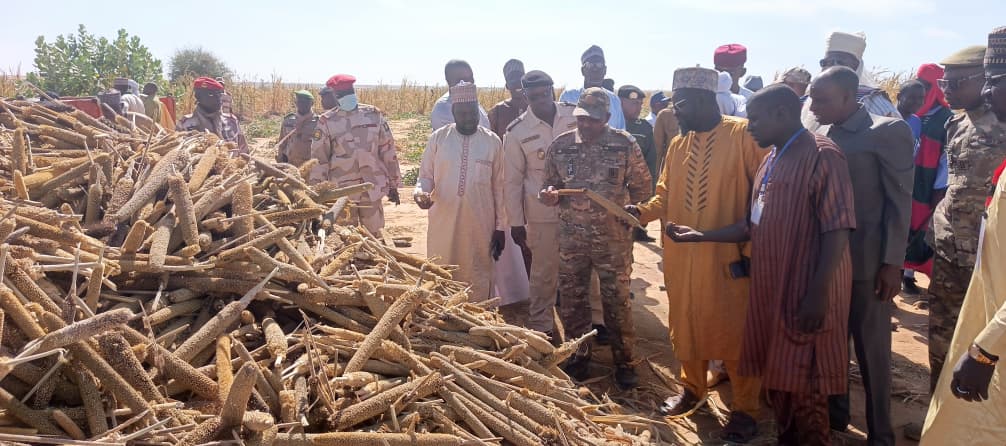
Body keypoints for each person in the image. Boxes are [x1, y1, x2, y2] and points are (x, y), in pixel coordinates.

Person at [667, 84, 857, 445]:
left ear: (783, 115)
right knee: (783, 377)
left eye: (755, 119)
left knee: (807, 384)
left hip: (806, 288)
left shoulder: (822, 154)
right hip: (774, 286)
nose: (748, 125)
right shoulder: (772, 158)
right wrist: (701, 236)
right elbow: (750, 224)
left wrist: (819, 294)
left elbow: (838, 228)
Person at [626, 67, 766, 443]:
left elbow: (763, 201)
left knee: (734, 332)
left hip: (729, 258)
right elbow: (664, 196)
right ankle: (692, 389)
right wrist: (640, 212)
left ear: (705, 100)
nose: (676, 113)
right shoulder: (678, 145)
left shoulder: (744, 136)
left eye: (682, 105)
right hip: (681, 258)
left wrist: (751, 252)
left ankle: (745, 409)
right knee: (686, 323)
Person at [808, 66, 914, 446]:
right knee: (833, 343)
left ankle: (880, 431)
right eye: (812, 98)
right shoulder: (821, 134)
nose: (813, 106)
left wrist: (892, 263)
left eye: (822, 100)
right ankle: (836, 415)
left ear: (850, 98)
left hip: (869, 264)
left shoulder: (886, 132)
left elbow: (900, 203)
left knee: (873, 353)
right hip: (827, 263)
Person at [921, 28, 1006, 443]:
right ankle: (941, 420)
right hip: (951, 250)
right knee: (943, 340)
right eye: (943, 83)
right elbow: (952, 183)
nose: (947, 91)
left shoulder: (1003, 124)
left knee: (986, 347)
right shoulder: (955, 124)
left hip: (989, 263)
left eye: (957, 82)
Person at [539, 87, 651, 390]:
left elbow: (643, 189)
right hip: (573, 239)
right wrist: (548, 196)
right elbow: (547, 185)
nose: (586, 125)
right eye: (582, 118)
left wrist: (633, 215)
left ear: (606, 117)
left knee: (616, 301)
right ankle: (579, 355)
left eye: (593, 119)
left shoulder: (623, 144)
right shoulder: (561, 146)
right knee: (573, 301)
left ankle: (624, 361)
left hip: (613, 241)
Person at [503, 70, 578, 341]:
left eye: (545, 93)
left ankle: (592, 324)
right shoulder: (517, 131)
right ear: (525, 96)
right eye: (533, 96)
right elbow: (511, 181)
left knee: (582, 270)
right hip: (542, 215)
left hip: (580, 211)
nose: (541, 100)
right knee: (544, 272)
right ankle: (541, 324)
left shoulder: (574, 116)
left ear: (553, 90)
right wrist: (515, 222)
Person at [415, 81, 506, 302]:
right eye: (463, 113)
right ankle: (442, 323)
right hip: (443, 224)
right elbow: (425, 177)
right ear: (454, 112)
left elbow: (500, 188)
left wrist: (501, 228)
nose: (468, 118)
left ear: (478, 111)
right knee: (442, 271)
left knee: (478, 272)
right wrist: (419, 194)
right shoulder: (438, 139)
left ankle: (479, 323)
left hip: (480, 225)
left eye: (472, 112)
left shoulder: (492, 142)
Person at [308, 74, 401, 238]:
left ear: (354, 91)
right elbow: (319, 160)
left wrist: (393, 184)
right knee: (345, 238)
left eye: (349, 92)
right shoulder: (327, 122)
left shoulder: (373, 115)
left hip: (371, 188)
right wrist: (318, 192)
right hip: (342, 193)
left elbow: (387, 150)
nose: (347, 97)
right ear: (336, 96)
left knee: (376, 237)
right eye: (342, 94)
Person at [902, 64, 954, 295]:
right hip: (904, 177)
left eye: (926, 86)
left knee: (920, 227)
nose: (921, 91)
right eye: (919, 83)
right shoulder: (908, 114)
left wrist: (940, 187)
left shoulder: (946, 117)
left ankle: (910, 274)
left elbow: (947, 157)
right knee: (901, 225)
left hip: (927, 181)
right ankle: (900, 273)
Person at [803, 31, 900, 133]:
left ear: (857, 66)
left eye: (840, 62)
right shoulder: (811, 99)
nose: (832, 67)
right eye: (826, 62)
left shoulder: (873, 100)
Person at [619, 84, 658, 242]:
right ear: (620, 102)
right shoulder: (611, 123)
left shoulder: (645, 128)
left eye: (640, 104)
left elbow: (651, 158)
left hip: (635, 184)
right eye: (634, 103)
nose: (638, 107)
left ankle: (640, 230)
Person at [558, 45, 625, 129]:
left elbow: (621, 132)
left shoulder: (614, 100)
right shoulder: (569, 96)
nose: (595, 70)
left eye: (599, 65)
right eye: (590, 65)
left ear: (605, 70)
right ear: (582, 71)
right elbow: (559, 128)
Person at [177, 77, 248, 154]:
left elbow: (244, 151)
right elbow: (178, 154)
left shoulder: (232, 121)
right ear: (198, 97)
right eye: (211, 95)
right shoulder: (185, 124)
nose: (218, 98)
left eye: (219, 94)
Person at [431, 60, 490, 131]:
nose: (467, 83)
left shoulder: (469, 100)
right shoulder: (443, 109)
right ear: (448, 81)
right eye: (461, 79)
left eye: (470, 78)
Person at [277, 90, 318, 167]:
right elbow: (282, 142)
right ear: (296, 103)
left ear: (312, 103)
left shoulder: (318, 123)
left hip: (309, 165)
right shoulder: (288, 120)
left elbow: (321, 147)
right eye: (299, 102)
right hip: (290, 164)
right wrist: (280, 159)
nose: (302, 105)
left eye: (305, 102)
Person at [488, 59, 528, 138]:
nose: (517, 81)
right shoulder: (497, 112)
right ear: (507, 85)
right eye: (512, 78)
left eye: (520, 77)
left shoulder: (535, 107)